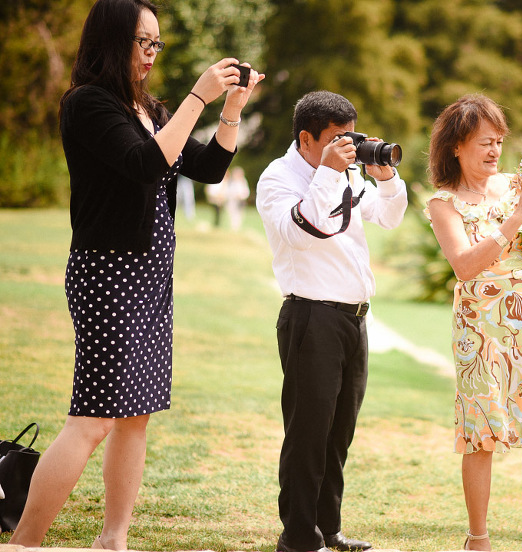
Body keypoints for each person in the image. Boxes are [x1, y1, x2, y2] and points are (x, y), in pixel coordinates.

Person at [8, 0, 264, 547]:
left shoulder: (148, 107)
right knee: (93, 419)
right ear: (112, 41)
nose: (151, 54)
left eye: (156, 44)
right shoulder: (87, 105)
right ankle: (25, 541)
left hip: (150, 274)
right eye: (142, 42)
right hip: (108, 273)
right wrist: (199, 96)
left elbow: (210, 169)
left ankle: (113, 538)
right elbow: (144, 163)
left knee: (136, 416)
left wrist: (233, 107)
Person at [256, 91, 408, 552]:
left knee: (339, 432)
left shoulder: (342, 173)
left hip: (353, 320)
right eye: (337, 139)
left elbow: (387, 217)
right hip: (311, 315)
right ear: (307, 138)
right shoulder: (278, 179)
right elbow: (308, 230)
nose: (348, 146)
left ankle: (329, 528)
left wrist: (384, 178)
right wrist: (328, 172)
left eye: (351, 137)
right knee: (307, 434)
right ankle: (299, 538)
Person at [424, 94, 522, 552]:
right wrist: (515, 218)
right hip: (479, 331)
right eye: (483, 143)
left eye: (498, 141)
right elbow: (465, 266)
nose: (494, 151)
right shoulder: (443, 202)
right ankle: (479, 539)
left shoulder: (517, 185)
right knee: (480, 436)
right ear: (456, 146)